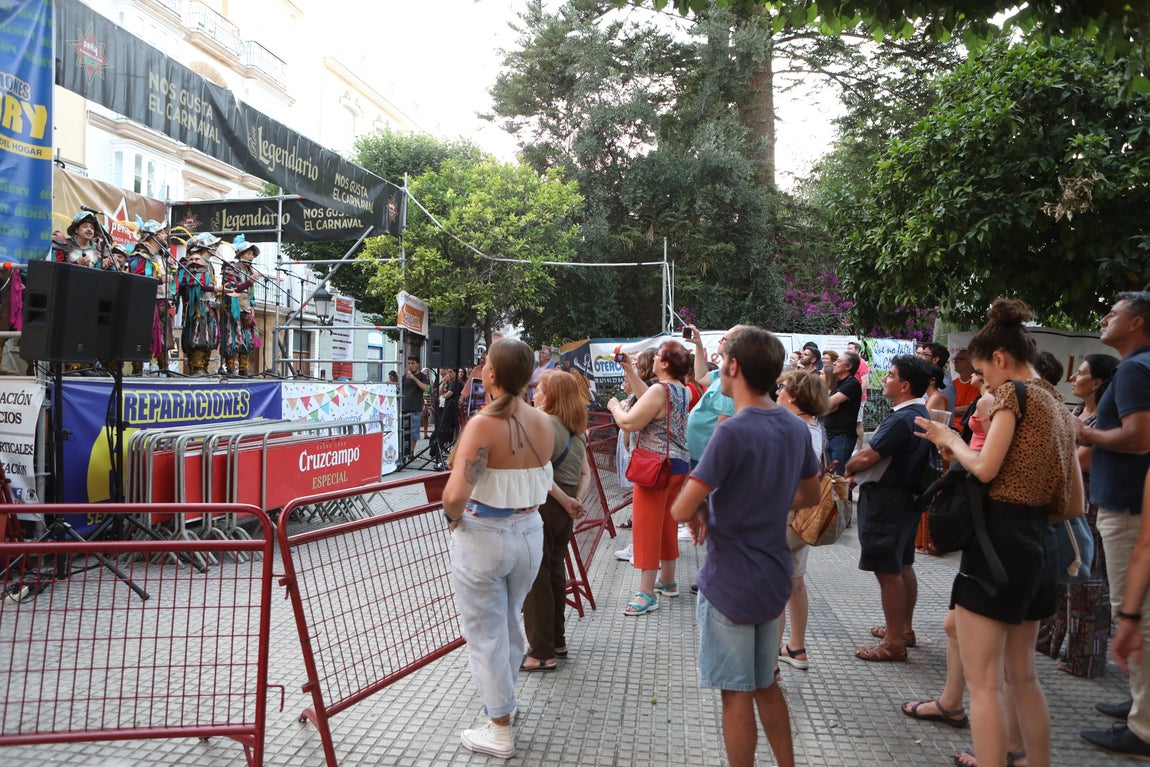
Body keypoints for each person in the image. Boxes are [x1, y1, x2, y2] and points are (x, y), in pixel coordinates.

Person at [914, 297, 1082, 767]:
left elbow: (985, 469)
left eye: (984, 375)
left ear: (1001, 360)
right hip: (1040, 547)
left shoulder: (1014, 395)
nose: (983, 385)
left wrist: (950, 440)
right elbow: (1074, 504)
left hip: (998, 548)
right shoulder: (1057, 403)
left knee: (984, 684)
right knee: (1022, 677)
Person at [670, 325, 820, 767]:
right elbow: (810, 495)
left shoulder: (732, 431)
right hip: (773, 575)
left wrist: (706, 508)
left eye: (721, 356)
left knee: (735, 694)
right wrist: (764, 501)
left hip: (731, 583)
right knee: (766, 683)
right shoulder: (794, 427)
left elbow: (681, 509)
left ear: (733, 367)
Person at [441, 337, 554, 760]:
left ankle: (500, 727)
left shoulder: (483, 425)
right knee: (507, 624)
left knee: (486, 635)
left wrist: (453, 520)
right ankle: (504, 705)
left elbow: (454, 496)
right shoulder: (543, 421)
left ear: (491, 374)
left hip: (484, 534)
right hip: (530, 532)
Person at [1076, 292, 1150, 759]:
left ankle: (1144, 729)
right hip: (1129, 502)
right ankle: (1142, 702)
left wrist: (1087, 433)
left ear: (1137, 323)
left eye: (1114, 313)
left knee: (1135, 612)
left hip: (1128, 505)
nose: (1105, 318)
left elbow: (1139, 437)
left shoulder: (1134, 369)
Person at [844, 354, 934, 662]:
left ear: (905, 385)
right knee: (902, 564)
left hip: (887, 500)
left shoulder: (901, 419)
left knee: (888, 570)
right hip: (905, 499)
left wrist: (849, 465)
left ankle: (894, 642)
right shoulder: (921, 412)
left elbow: (868, 456)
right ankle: (903, 629)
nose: (885, 379)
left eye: (891, 375)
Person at [1037, 353, 1118, 677]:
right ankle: (1046, 641)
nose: (1074, 378)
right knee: (1057, 579)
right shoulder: (1078, 413)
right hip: (1065, 506)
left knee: (1086, 585)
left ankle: (1085, 659)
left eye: (1081, 373)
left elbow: (1078, 462)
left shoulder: (1104, 422)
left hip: (1088, 509)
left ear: (1097, 382)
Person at [606, 340, 691, 615]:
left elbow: (630, 422)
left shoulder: (660, 389)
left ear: (665, 363)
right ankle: (667, 581)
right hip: (677, 465)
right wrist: (630, 370)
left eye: (657, 356)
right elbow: (650, 399)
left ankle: (646, 593)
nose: (653, 358)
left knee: (646, 528)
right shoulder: (681, 390)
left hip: (654, 469)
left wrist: (615, 407)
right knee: (667, 525)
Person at [522, 369, 591, 671]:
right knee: (554, 572)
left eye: (539, 388)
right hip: (565, 512)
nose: (534, 392)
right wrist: (575, 501)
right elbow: (586, 473)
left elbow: (538, 470)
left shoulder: (545, 423)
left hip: (545, 506)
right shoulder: (577, 428)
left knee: (536, 578)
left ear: (550, 395)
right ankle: (556, 640)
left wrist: (564, 500)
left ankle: (541, 652)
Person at [776, 369, 832, 672]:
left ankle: (769, 657)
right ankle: (796, 647)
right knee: (794, 581)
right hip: (803, 516)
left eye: (782, 388)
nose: (777, 391)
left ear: (795, 396)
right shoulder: (814, 426)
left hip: (785, 513)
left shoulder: (793, 428)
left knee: (776, 582)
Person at [127, 220, 174, 374]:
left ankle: (164, 369)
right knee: (144, 337)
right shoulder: (140, 255)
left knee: (165, 338)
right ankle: (138, 370)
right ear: (152, 236)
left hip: (163, 303)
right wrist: (161, 280)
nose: (165, 235)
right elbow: (137, 279)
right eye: (161, 232)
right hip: (147, 304)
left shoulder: (161, 256)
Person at [177, 233, 221, 376]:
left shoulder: (209, 264)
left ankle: (204, 367)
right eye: (213, 245)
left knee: (209, 337)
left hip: (209, 305)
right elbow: (195, 284)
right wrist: (216, 289)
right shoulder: (194, 262)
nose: (215, 247)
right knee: (198, 336)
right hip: (198, 306)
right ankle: (197, 367)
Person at [219, 236, 260, 377]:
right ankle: (230, 368)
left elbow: (250, 293)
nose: (251, 257)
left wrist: (252, 306)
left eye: (252, 254)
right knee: (233, 340)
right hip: (233, 310)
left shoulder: (249, 271)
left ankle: (243, 368)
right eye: (248, 253)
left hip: (246, 309)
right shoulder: (231, 267)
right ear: (240, 254)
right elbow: (232, 289)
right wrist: (249, 282)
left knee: (247, 340)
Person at [822, 352, 862, 475]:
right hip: (832, 436)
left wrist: (827, 405)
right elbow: (830, 407)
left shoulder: (852, 383)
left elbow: (829, 403)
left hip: (842, 437)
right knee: (831, 478)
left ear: (848, 367)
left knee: (839, 480)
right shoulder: (838, 384)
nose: (834, 363)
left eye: (839, 361)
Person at [401, 356, 429, 460]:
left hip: (415, 408)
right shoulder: (405, 377)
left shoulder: (421, 376)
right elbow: (402, 389)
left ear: (418, 364)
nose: (410, 365)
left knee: (414, 432)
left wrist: (414, 378)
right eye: (409, 363)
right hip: (405, 407)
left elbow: (425, 388)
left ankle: (411, 451)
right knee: (403, 431)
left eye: (413, 363)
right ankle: (404, 452)